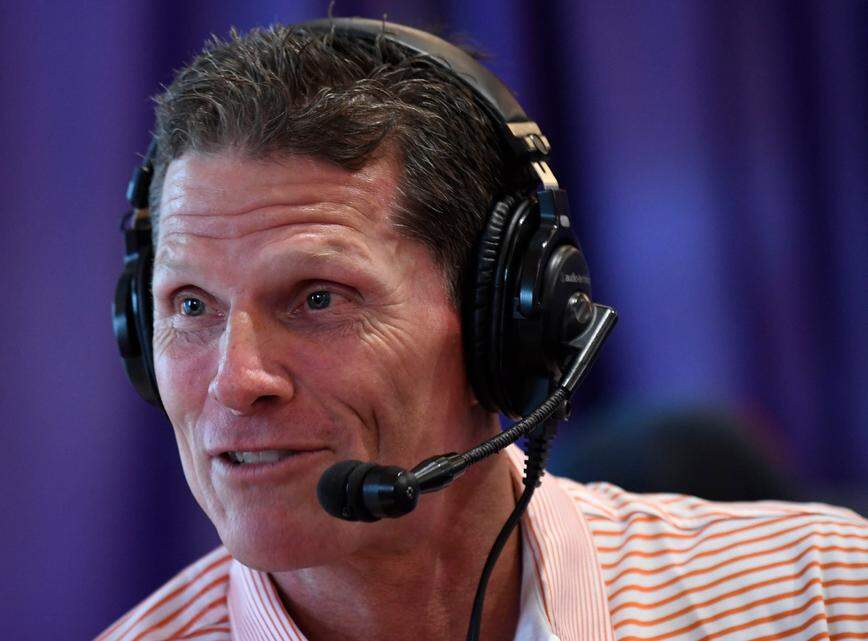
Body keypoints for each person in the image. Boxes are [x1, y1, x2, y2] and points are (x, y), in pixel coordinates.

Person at [100, 19, 868, 641]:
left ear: (502, 320)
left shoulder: (822, 599)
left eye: (319, 299)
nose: (236, 380)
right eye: (191, 306)